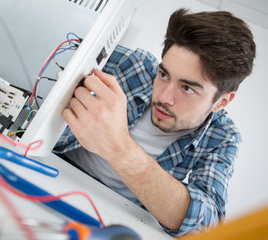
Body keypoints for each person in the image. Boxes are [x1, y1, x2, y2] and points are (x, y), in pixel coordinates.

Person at [53, 8, 256, 236]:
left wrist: (120, 149)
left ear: (222, 101)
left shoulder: (222, 137)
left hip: (115, 221)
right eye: (163, 75)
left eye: (187, 88)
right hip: (50, 178)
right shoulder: (133, 65)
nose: (163, 97)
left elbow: (206, 225)